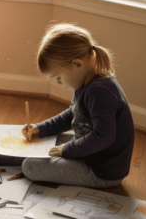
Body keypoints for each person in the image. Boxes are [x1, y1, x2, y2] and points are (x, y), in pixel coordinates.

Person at [21, 23, 134, 188]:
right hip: (92, 152)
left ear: (77, 64)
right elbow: (72, 114)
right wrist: (40, 128)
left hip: (102, 171)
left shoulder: (100, 92)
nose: (59, 83)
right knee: (43, 140)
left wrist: (66, 150)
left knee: (29, 166)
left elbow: (103, 137)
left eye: (58, 78)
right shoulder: (86, 80)